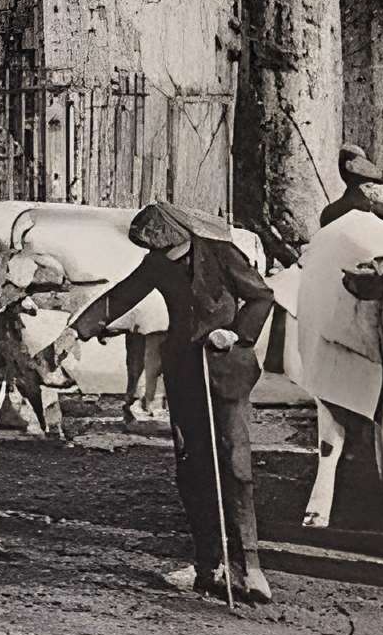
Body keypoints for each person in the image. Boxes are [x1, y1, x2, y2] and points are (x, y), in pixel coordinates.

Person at [73, 199, 274, 603]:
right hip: (184, 371)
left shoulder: (221, 254)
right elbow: (120, 297)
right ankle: (208, 563)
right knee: (191, 467)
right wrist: (75, 331)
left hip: (225, 369)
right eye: (154, 251)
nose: (160, 257)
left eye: (166, 249)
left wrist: (236, 333)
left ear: (183, 238)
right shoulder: (158, 263)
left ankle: (250, 567)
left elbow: (262, 297)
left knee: (234, 463)